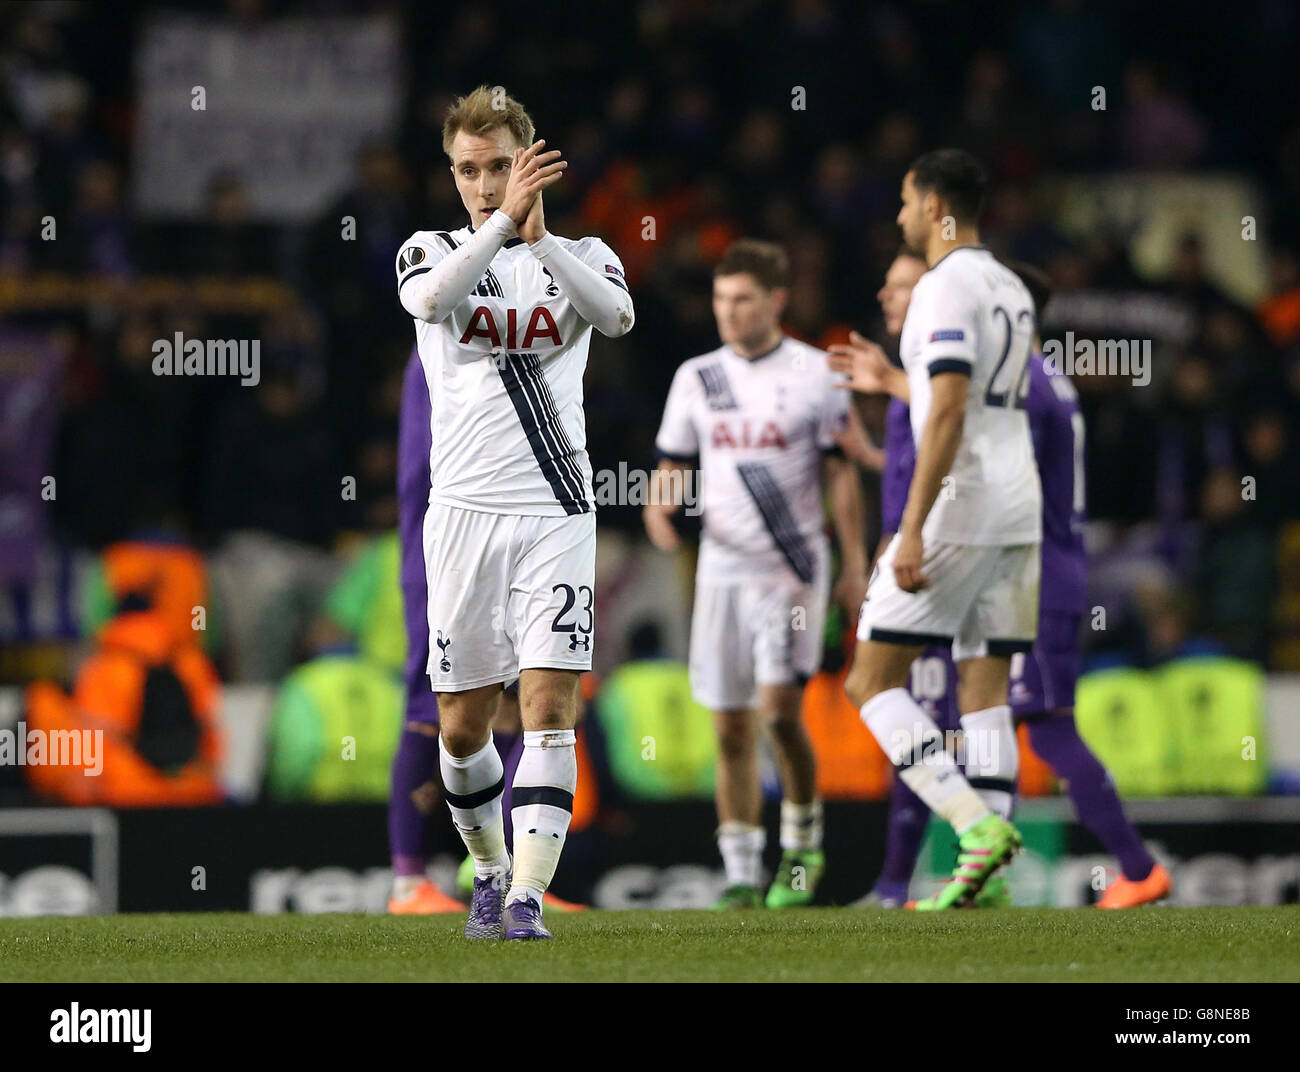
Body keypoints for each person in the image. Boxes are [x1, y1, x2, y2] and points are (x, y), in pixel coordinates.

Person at [836, 257, 1172, 909]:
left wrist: (895, 384)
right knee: (984, 707)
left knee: (1044, 726)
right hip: (1031, 560)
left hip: (1029, 564)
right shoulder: (1046, 380)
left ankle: (1134, 867)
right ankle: (975, 874)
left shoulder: (1029, 381)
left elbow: (960, 418)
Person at [395, 86, 634, 940]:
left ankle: (528, 897)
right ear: (452, 174)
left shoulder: (587, 256)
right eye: (469, 170)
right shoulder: (428, 251)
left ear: (531, 158)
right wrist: (503, 231)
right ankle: (489, 872)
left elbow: (618, 315)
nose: (486, 184)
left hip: (557, 511)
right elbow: (430, 304)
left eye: (501, 166)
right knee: (461, 729)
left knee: (548, 707)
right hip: (461, 515)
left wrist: (540, 240)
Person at [833, 149, 1035, 911]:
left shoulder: (942, 287)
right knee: (983, 690)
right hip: (1020, 510)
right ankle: (986, 879)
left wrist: (911, 526)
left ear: (934, 204)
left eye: (905, 201)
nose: (899, 216)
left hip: (962, 508)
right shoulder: (1009, 285)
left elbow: (947, 411)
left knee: (869, 679)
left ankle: (975, 825)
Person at [645, 239, 867, 909]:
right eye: (720, 299)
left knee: (777, 714)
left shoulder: (816, 373)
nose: (728, 312)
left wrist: (855, 562)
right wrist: (659, 509)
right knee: (729, 727)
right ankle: (742, 872)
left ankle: (801, 847)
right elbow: (673, 462)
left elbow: (841, 470)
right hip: (721, 569)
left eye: (742, 299)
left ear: (775, 301)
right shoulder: (697, 377)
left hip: (792, 570)